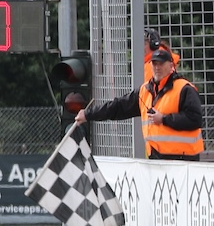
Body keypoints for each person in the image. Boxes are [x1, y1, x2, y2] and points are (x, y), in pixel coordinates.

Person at [75, 48, 204, 160]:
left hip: (183, 160)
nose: (157, 67)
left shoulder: (184, 89)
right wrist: (88, 114)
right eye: (154, 63)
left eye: (161, 64)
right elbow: (118, 107)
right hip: (156, 159)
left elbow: (195, 119)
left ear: (171, 66)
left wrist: (164, 119)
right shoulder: (145, 91)